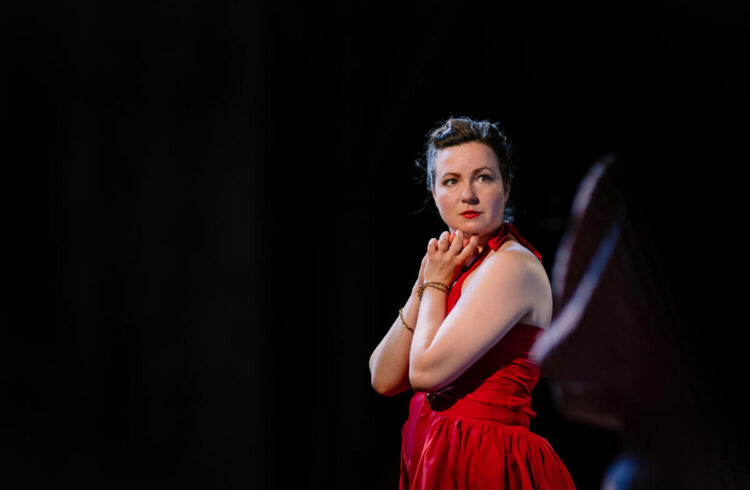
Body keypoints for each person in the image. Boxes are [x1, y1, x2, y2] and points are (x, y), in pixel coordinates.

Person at [369, 117, 576, 489]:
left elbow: (425, 373)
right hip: (440, 451)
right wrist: (426, 281)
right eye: (451, 181)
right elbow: (383, 377)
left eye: (483, 177)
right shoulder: (451, 264)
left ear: (506, 188)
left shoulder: (512, 266)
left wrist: (434, 283)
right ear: (434, 193)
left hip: (487, 461)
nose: (468, 195)